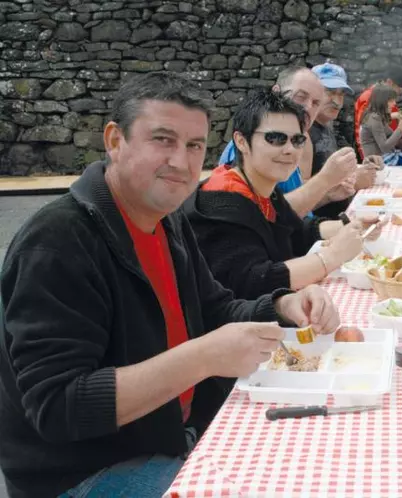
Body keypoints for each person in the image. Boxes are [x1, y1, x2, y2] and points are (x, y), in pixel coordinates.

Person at [0, 72, 340, 498]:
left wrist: (285, 305)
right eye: (162, 139)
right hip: (84, 473)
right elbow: (58, 407)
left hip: (172, 433)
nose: (181, 162)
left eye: (194, 146)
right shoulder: (56, 243)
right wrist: (202, 358)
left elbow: (217, 309)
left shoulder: (168, 219)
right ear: (114, 140)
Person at [184, 88, 372, 301]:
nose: (290, 150)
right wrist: (333, 256)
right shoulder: (221, 203)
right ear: (241, 141)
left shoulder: (261, 188)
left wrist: (348, 226)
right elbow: (252, 281)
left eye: (297, 140)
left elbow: (293, 231)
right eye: (275, 138)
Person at [218, 66, 358, 219]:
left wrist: (328, 195)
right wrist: (324, 180)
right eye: (301, 96)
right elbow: (258, 219)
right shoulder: (253, 144)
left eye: (316, 102)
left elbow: (288, 210)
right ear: (277, 92)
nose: (307, 107)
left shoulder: (297, 141)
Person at [309, 62, 381, 219]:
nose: (337, 101)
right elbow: (295, 202)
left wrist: (363, 165)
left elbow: (329, 168)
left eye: (341, 94)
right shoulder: (302, 134)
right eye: (329, 92)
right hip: (320, 231)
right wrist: (353, 183)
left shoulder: (326, 124)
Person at [354, 64, 402, 157]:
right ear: (389, 82)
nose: (400, 92)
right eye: (399, 88)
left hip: (391, 143)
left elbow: (385, 116)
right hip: (378, 154)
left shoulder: (385, 98)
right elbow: (366, 125)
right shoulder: (369, 97)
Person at [360, 84, 402, 165]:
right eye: (391, 101)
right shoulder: (374, 118)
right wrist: (401, 127)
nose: (394, 103)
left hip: (385, 156)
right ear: (382, 101)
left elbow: (391, 117)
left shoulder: (377, 115)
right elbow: (385, 148)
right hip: (378, 162)